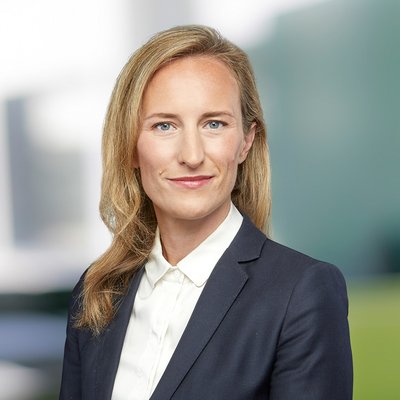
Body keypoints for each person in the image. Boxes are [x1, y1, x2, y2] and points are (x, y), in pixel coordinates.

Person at [60, 25, 353, 400]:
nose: (192, 155)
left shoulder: (302, 292)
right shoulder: (98, 292)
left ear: (245, 141)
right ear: (130, 146)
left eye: (214, 124)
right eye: (164, 125)